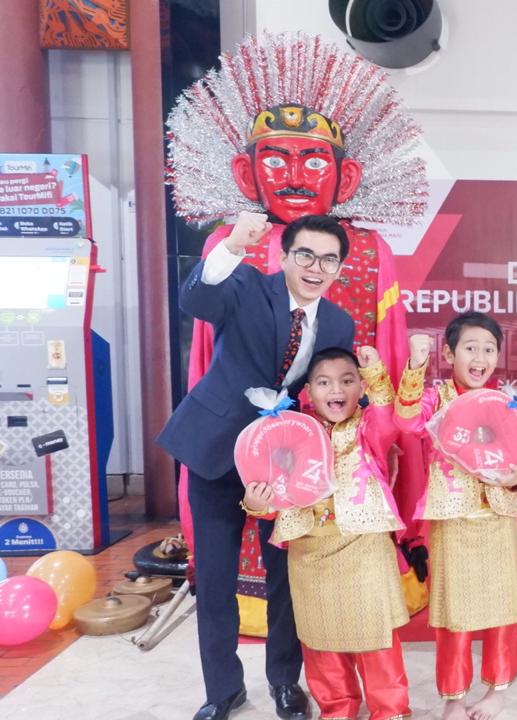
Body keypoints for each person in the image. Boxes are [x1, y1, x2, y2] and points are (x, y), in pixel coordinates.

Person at [166, 32, 432, 632]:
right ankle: (228, 682)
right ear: (245, 170)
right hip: (230, 441)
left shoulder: (367, 251)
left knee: (304, 565)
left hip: (330, 439)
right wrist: (235, 243)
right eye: (274, 159)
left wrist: (376, 435)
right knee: (226, 568)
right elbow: (206, 348)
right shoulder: (231, 245)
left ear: (345, 176)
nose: (292, 175)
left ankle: (310, 656)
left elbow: (381, 355)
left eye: (313, 162)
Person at [157, 212, 356, 720]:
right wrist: (231, 244)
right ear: (285, 255)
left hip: (283, 463)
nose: (316, 267)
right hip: (216, 452)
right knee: (217, 579)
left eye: (328, 259)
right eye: (305, 254)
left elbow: (329, 389)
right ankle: (222, 690)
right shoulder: (244, 283)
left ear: (339, 268)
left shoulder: (337, 322)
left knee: (284, 581)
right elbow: (195, 300)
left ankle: (285, 684)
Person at [242, 345, 410, 720]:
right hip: (309, 554)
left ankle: (391, 710)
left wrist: (377, 371)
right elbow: (272, 499)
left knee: (376, 640)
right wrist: (256, 502)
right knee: (320, 644)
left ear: (360, 386)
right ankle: (336, 709)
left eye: (347, 381)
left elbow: (388, 415)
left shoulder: (369, 428)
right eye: (324, 382)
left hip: (364, 548)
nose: (336, 390)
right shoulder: (288, 433)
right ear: (308, 393)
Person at [395, 313, 517, 720]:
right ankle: (453, 697)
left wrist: (516, 477)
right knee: (454, 614)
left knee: (503, 611)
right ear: (449, 352)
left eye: (489, 349)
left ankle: (497, 691)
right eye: (470, 348)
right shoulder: (436, 398)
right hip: (452, 517)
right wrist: (415, 364)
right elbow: (406, 420)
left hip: (497, 517)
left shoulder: (505, 401)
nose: (480, 358)